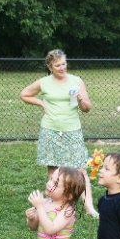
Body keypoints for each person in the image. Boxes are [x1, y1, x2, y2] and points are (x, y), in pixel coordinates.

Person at [20, 49, 97, 216]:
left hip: (72, 130)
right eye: (58, 65)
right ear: (50, 66)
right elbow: (24, 94)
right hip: (51, 130)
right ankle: (53, 204)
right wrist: (41, 103)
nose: (62, 68)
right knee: (54, 169)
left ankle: (89, 207)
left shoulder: (76, 81)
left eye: (64, 63)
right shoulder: (44, 82)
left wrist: (80, 99)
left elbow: (87, 109)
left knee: (80, 168)